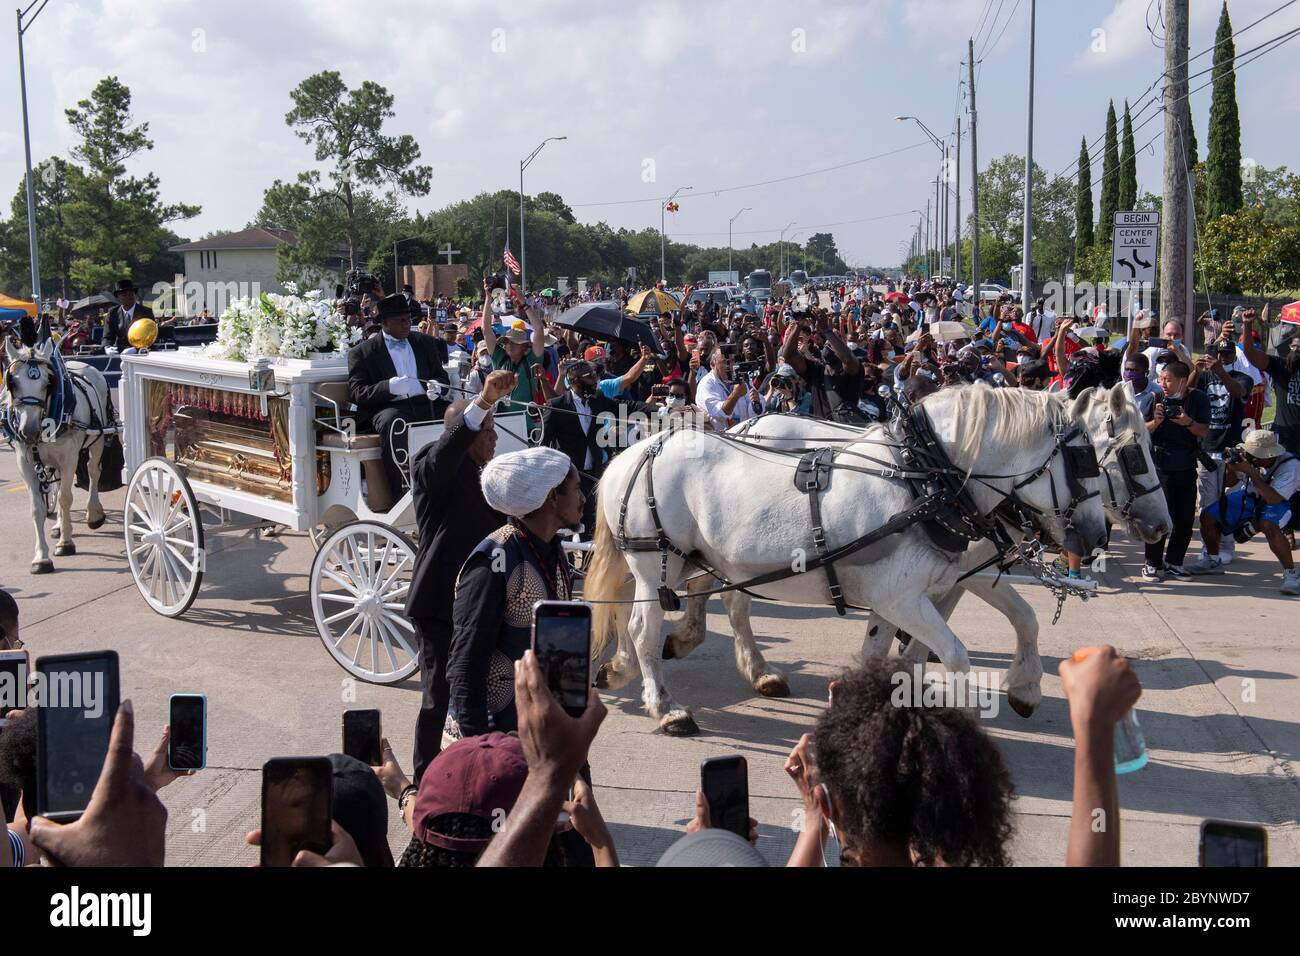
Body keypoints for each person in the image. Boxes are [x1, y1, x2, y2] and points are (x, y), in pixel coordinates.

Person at [404, 370, 515, 782]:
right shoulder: (432, 465)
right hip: (438, 605)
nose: (494, 437)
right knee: (439, 696)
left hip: (480, 604)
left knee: (480, 694)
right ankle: (423, 783)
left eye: (493, 428)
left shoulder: (488, 475)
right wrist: (481, 403)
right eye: (487, 429)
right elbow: (446, 454)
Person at [444, 447, 584, 743]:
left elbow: (560, 669)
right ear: (552, 498)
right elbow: (465, 667)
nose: (583, 499)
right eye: (576, 489)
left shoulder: (554, 553)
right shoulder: (493, 561)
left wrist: (577, 767)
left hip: (538, 739)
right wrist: (480, 752)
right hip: (489, 747)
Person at [347, 293, 451, 498]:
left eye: (409, 319)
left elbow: (442, 377)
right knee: (394, 422)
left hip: (425, 403)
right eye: (400, 321)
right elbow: (357, 393)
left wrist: (438, 387)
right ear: (385, 323)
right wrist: (389, 387)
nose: (406, 325)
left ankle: (455, 480)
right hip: (389, 407)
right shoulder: (363, 352)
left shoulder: (425, 342)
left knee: (457, 414)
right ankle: (401, 491)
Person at [542, 359, 656, 536]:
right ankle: (566, 559)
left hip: (593, 473)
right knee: (567, 522)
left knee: (593, 520)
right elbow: (543, 444)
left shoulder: (598, 399)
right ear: (574, 381)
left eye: (595, 375)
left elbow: (627, 407)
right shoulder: (557, 406)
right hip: (568, 477)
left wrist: (660, 411)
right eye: (589, 377)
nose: (595, 380)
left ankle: (589, 560)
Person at [1189, 429, 1300, 593]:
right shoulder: (1248, 459)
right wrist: (1231, 467)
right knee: (1208, 515)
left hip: (1285, 502)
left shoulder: (1291, 465)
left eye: (1253, 454)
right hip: (1252, 495)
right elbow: (1229, 482)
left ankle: (1291, 574)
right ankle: (1212, 561)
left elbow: (1274, 500)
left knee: (1268, 523)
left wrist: (1250, 472)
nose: (1248, 456)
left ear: (1267, 456)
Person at [1142, 361, 1211, 580]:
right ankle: (1152, 563)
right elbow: (1140, 430)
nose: (1163, 383)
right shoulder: (1154, 398)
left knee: (1184, 520)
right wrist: (1156, 422)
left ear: (1182, 380)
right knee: (1159, 519)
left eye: (1168, 379)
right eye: (1161, 378)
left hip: (1186, 468)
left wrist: (1188, 422)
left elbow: (1204, 432)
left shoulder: (1198, 399)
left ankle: (1174, 562)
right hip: (1160, 469)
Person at [1188, 339, 1254, 569]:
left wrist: (1220, 371)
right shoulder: (1206, 377)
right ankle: (1209, 548)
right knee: (1208, 503)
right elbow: (1187, 394)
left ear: (1233, 357)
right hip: (1207, 449)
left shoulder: (1242, 377)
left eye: (1227, 355)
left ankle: (1227, 547)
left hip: (1230, 449)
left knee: (1227, 502)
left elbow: (1238, 392)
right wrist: (1196, 372)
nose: (1223, 358)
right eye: (1220, 354)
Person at [1241, 306, 1300, 455]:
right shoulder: (1281, 366)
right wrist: (1247, 325)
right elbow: (1249, 352)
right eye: (1293, 346)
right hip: (1283, 441)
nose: (1296, 350)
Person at [697, 347, 760, 430]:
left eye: (732, 361)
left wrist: (756, 402)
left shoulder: (741, 378)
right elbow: (719, 414)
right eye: (724, 362)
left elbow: (758, 409)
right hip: (719, 439)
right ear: (712, 364)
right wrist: (735, 395)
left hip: (744, 435)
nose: (730, 366)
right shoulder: (706, 384)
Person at [103, 279, 154, 351]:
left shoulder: (146, 312)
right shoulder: (112, 313)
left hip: (141, 352)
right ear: (118, 297)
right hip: (118, 352)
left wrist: (135, 349)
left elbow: (150, 336)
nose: (129, 296)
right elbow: (107, 336)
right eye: (124, 294)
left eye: (131, 293)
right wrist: (107, 347)